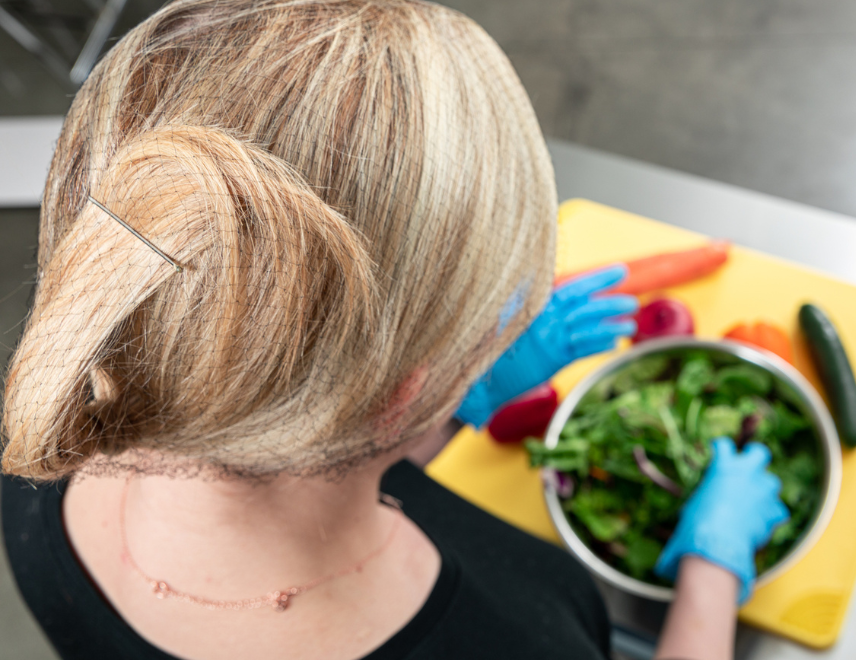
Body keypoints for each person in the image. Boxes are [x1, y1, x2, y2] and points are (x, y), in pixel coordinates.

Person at [0, 1, 787, 659]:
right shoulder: (510, 641)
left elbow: (294, 459)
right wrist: (712, 573)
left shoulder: (69, 391)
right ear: (403, 394)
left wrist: (446, 412)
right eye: (491, 323)